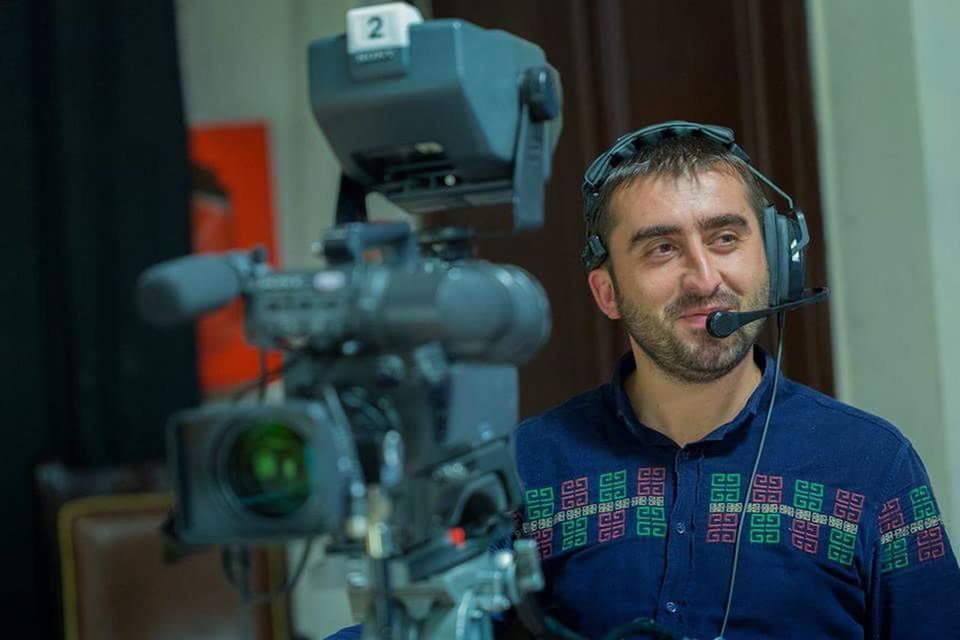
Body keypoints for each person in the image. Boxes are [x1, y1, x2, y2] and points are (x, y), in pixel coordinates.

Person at [512, 121, 960, 639]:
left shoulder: (874, 465)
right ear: (607, 292)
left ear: (773, 257)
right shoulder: (527, 467)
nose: (704, 280)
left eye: (725, 238)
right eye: (661, 248)